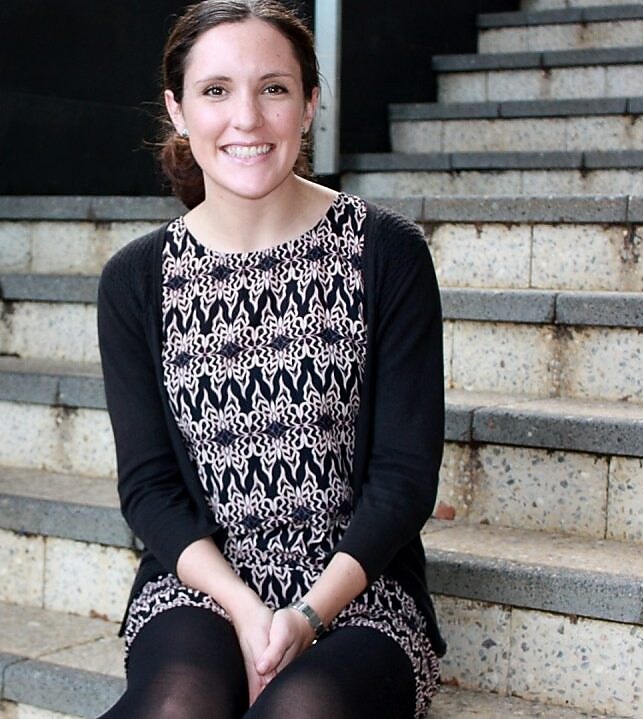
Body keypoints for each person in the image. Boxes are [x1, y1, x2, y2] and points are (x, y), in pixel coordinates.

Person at [96, 2, 446, 716]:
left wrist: (305, 616)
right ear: (179, 109)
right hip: (198, 586)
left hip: (360, 591)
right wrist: (245, 608)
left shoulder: (386, 252)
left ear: (311, 103)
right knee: (175, 707)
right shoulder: (137, 278)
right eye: (216, 90)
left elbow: (404, 478)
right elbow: (150, 488)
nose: (247, 119)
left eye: (275, 88)